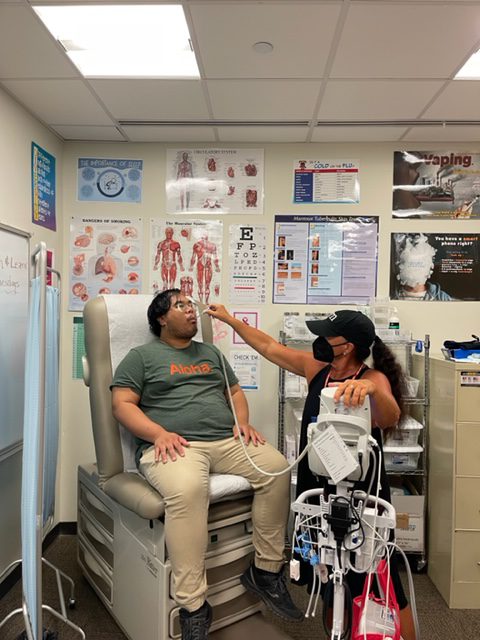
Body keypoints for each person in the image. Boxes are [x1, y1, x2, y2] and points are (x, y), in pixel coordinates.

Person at [206, 305, 417, 640]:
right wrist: (231, 320)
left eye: (326, 335)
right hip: (318, 489)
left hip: (362, 495)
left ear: (347, 346)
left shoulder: (371, 378)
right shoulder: (318, 369)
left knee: (378, 575)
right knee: (332, 576)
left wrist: (374, 391)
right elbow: (270, 347)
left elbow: (390, 416)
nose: (319, 339)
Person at [111, 289, 303, 640]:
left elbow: (235, 393)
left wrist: (241, 421)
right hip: (176, 445)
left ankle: (265, 569)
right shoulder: (141, 357)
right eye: (180, 306)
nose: (191, 311)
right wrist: (157, 434)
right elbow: (122, 404)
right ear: (161, 319)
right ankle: (193, 606)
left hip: (226, 441)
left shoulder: (211, 352)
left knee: (276, 468)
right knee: (187, 489)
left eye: (191, 305)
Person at [392, 233, 454, 301]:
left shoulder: (443, 299)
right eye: (410, 261)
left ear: (429, 264)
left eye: (420, 260)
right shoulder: (390, 296)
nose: (415, 266)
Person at [189, 233, 220, 304]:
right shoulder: (209, 245)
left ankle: (204, 302)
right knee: (203, 285)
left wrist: (191, 266)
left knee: (204, 285)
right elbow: (215, 258)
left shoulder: (199, 245)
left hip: (204, 266)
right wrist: (217, 267)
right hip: (204, 266)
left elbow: (193, 258)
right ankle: (204, 302)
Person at [153, 226, 184, 291]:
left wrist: (181, 266)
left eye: (170, 232)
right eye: (167, 232)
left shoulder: (176, 244)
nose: (168, 234)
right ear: (165, 233)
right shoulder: (161, 244)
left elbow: (178, 255)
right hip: (164, 264)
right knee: (165, 285)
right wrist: (155, 264)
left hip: (173, 264)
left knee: (172, 285)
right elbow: (158, 255)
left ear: (172, 233)